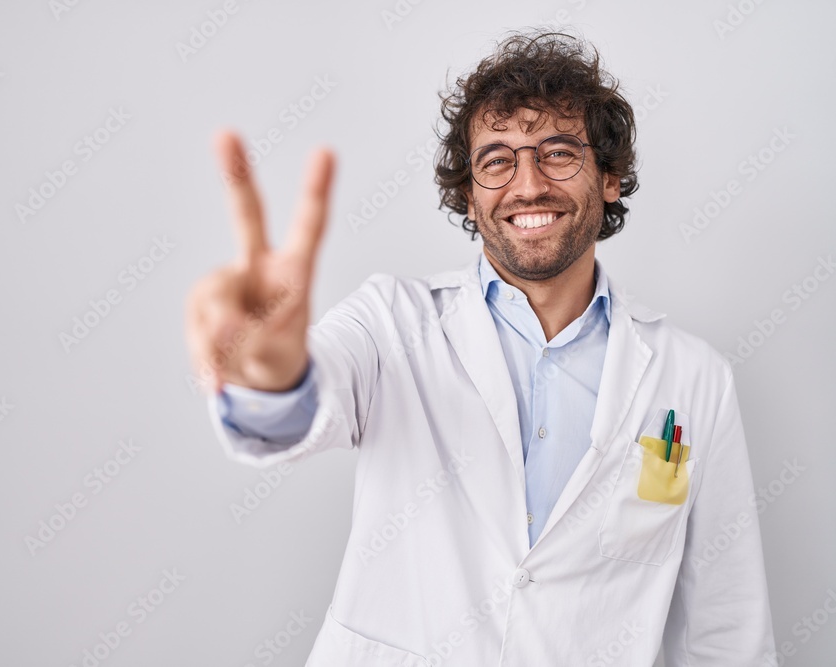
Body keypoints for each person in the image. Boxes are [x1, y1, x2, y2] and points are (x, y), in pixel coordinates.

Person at [185, 30, 775, 666]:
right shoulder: (392, 320)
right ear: (468, 194)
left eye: (558, 152)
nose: (527, 185)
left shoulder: (695, 378)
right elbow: (304, 405)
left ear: (610, 177)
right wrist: (271, 371)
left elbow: (726, 627)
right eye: (497, 161)